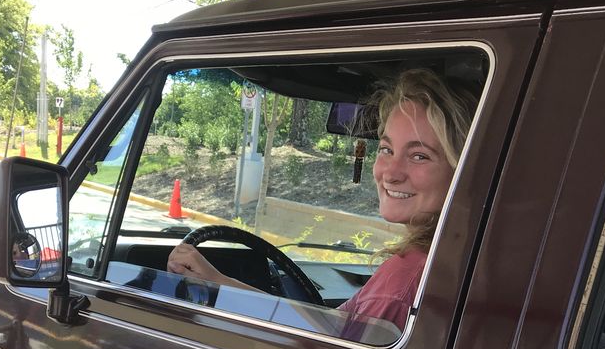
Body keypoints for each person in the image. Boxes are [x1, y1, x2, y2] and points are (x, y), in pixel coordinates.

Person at [166, 68, 477, 333]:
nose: (391, 173)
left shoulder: (406, 280)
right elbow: (331, 328)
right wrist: (218, 281)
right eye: (386, 149)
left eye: (419, 155)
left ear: (465, 169)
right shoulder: (441, 260)